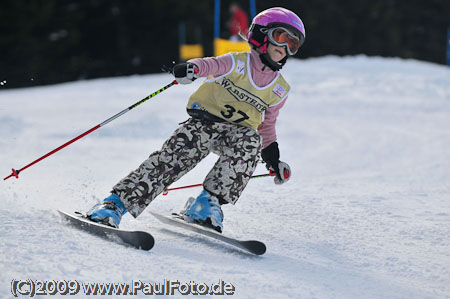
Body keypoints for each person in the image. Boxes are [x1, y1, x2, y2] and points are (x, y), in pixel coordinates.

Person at [86, 7, 306, 233]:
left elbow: (266, 126)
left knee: (251, 140)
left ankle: (206, 205)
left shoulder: (279, 89)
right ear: (261, 34)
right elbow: (211, 65)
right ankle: (115, 204)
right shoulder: (238, 62)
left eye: (293, 44)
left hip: (236, 135)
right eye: (281, 37)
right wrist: (192, 68)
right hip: (203, 125)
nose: (285, 47)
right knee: (174, 158)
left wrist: (273, 159)